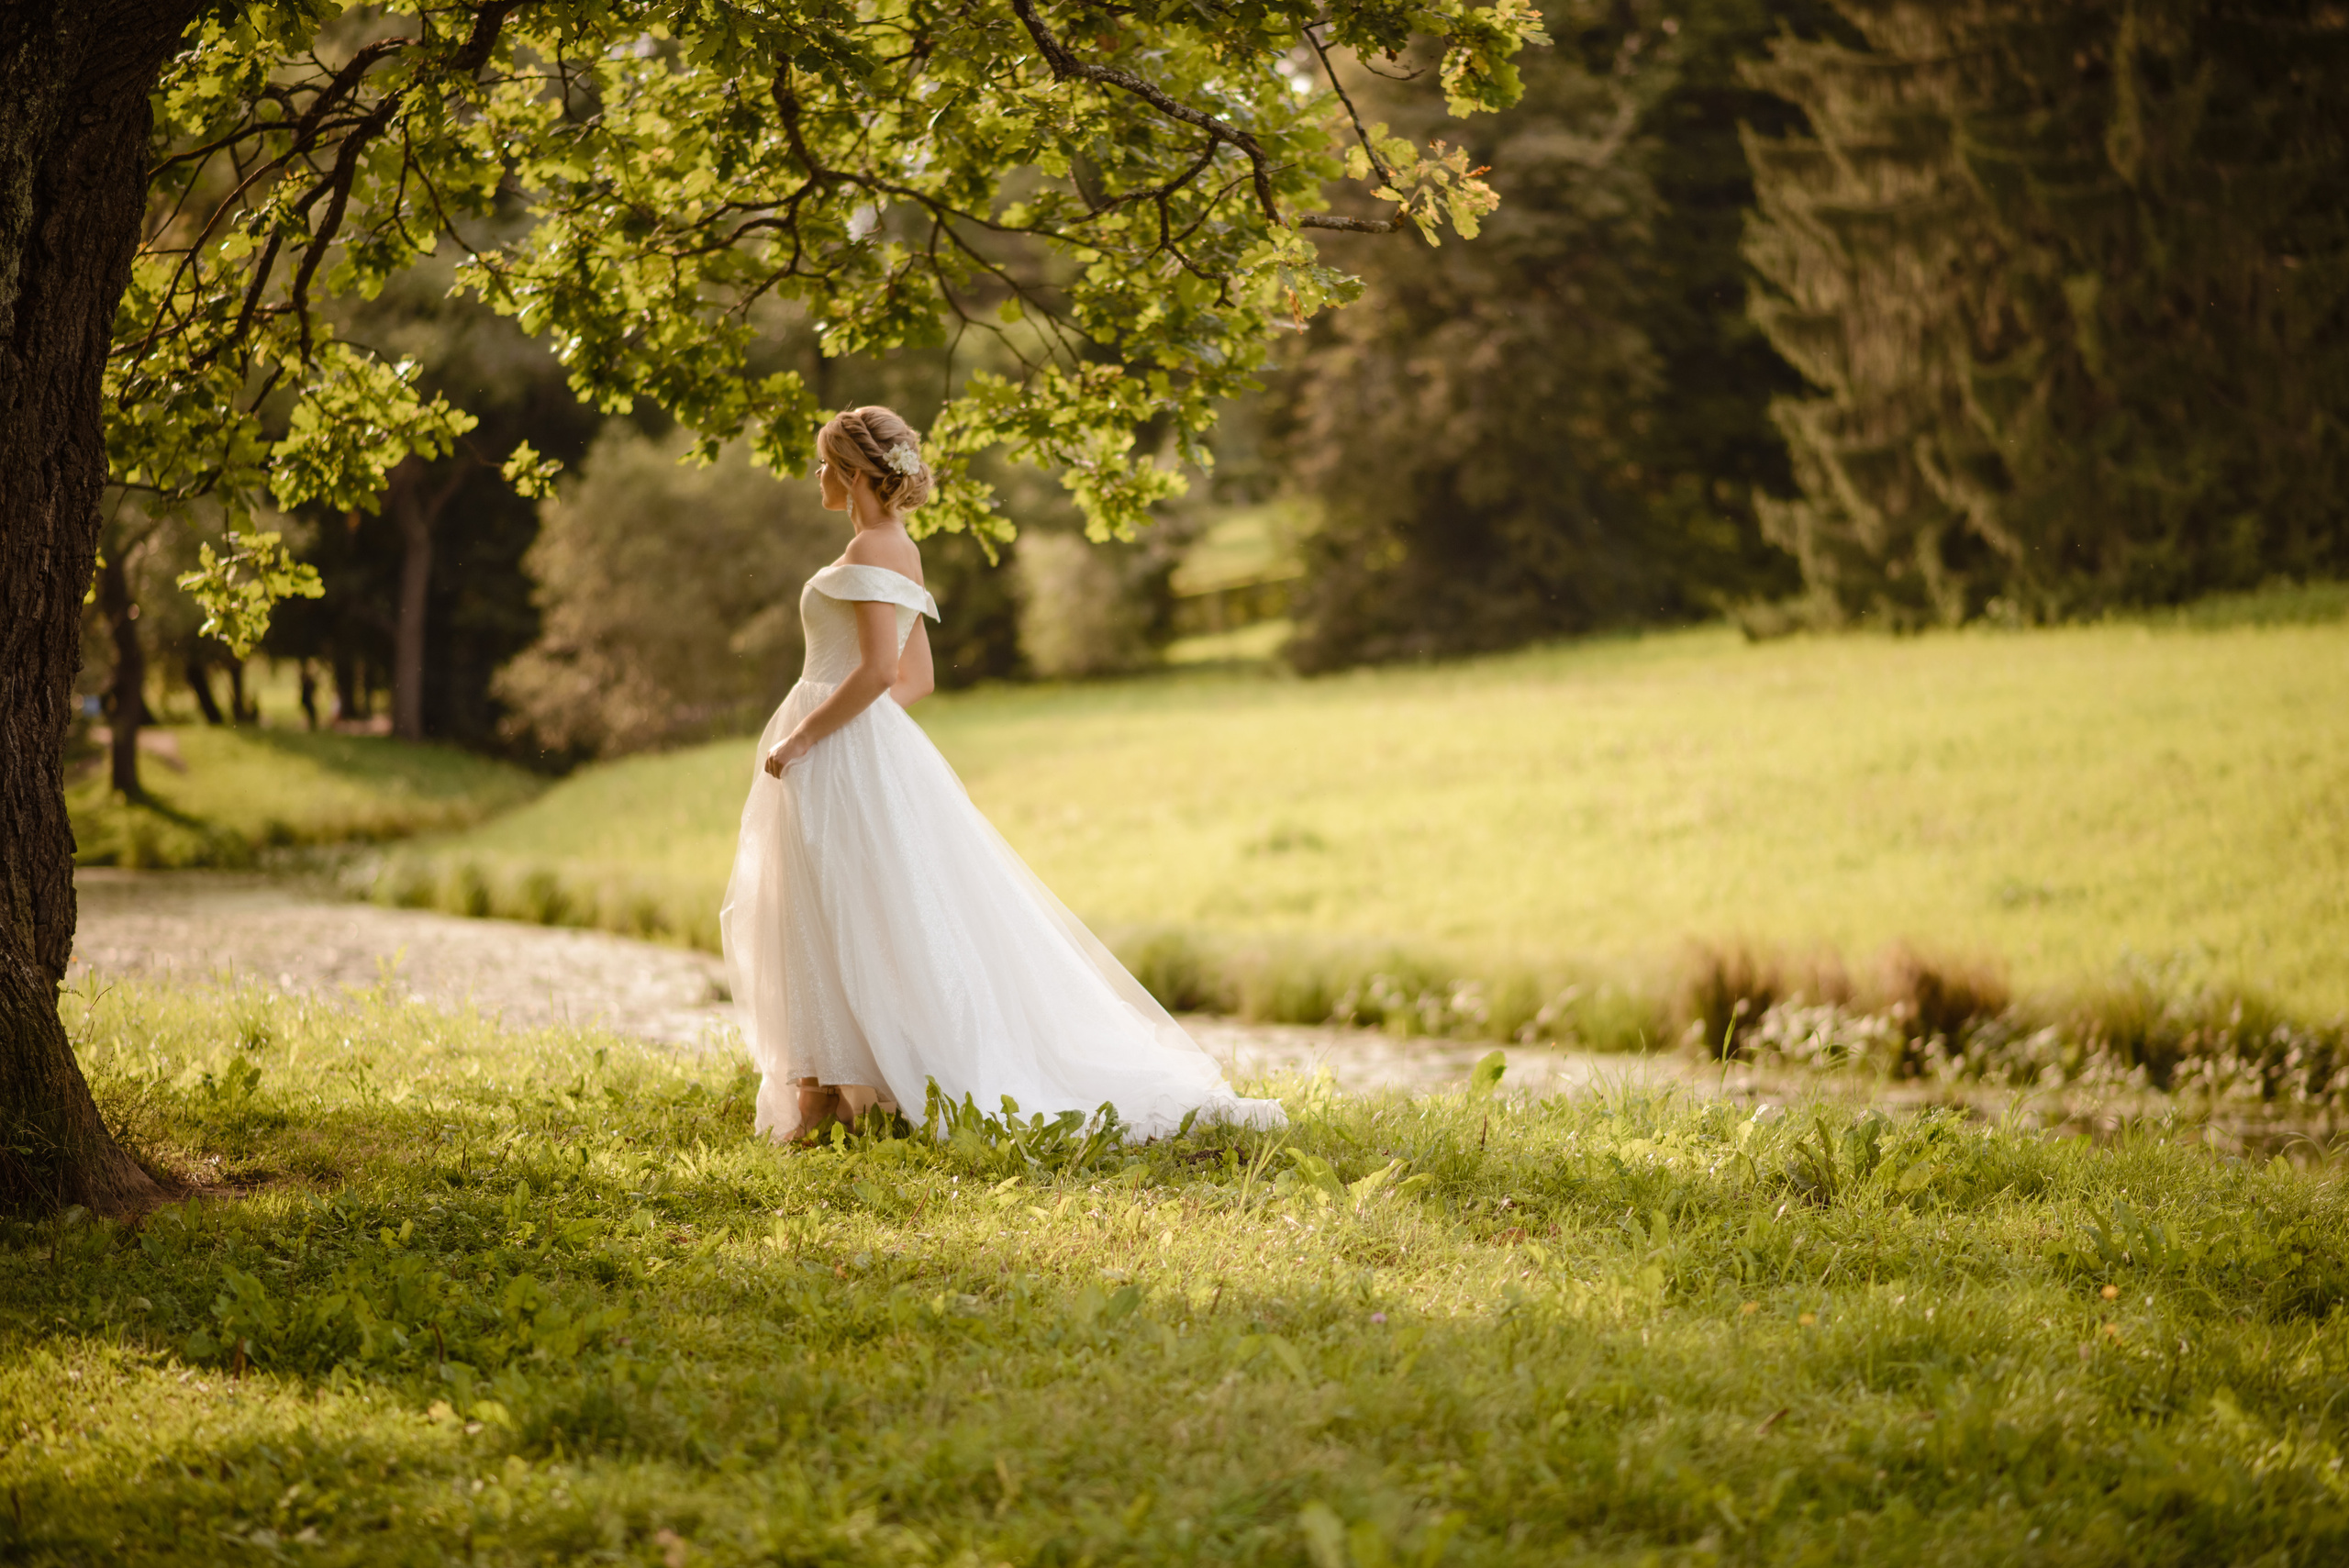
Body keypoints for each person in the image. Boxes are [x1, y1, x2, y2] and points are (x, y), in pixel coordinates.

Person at [719, 406, 1286, 1144]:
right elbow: (915, 681)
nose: (818, 476)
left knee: (829, 906)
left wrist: (802, 738)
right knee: (850, 907)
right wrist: (867, 743)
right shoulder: (900, 547)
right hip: (862, 748)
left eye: (826, 464)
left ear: (858, 474)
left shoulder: (865, 556)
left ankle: (824, 1093)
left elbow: (880, 672)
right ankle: (829, 1088)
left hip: (833, 747)